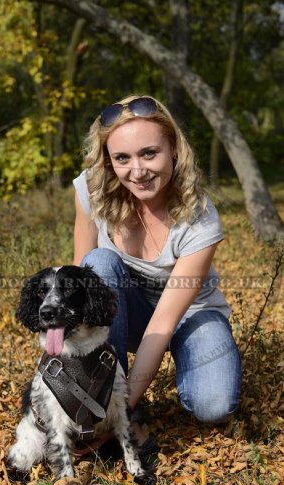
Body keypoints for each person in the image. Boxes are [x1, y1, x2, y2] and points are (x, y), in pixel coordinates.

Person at [72, 95, 241, 454]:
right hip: (123, 313)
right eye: (122, 158)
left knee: (214, 404)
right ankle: (100, 395)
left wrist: (121, 409)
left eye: (150, 153)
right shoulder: (92, 190)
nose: (137, 170)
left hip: (188, 315)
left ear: (174, 150)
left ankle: (121, 405)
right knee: (97, 265)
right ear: (108, 160)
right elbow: (79, 289)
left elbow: (164, 321)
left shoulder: (200, 217)